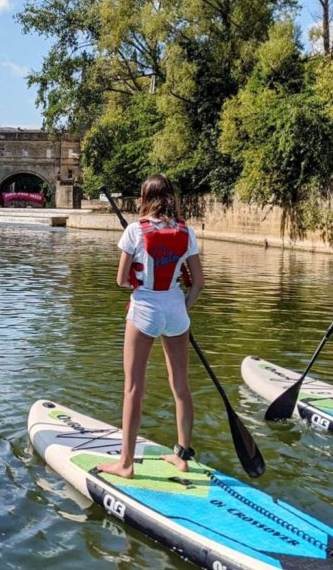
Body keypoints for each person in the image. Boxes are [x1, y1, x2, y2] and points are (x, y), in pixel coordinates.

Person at [97, 174, 205, 478]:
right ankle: (182, 455)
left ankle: (126, 464)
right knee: (180, 386)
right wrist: (181, 311)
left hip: (145, 309)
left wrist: (137, 274)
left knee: (133, 387)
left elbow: (121, 280)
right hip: (175, 310)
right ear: (171, 196)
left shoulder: (134, 230)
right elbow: (198, 284)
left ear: (145, 198)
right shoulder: (187, 231)